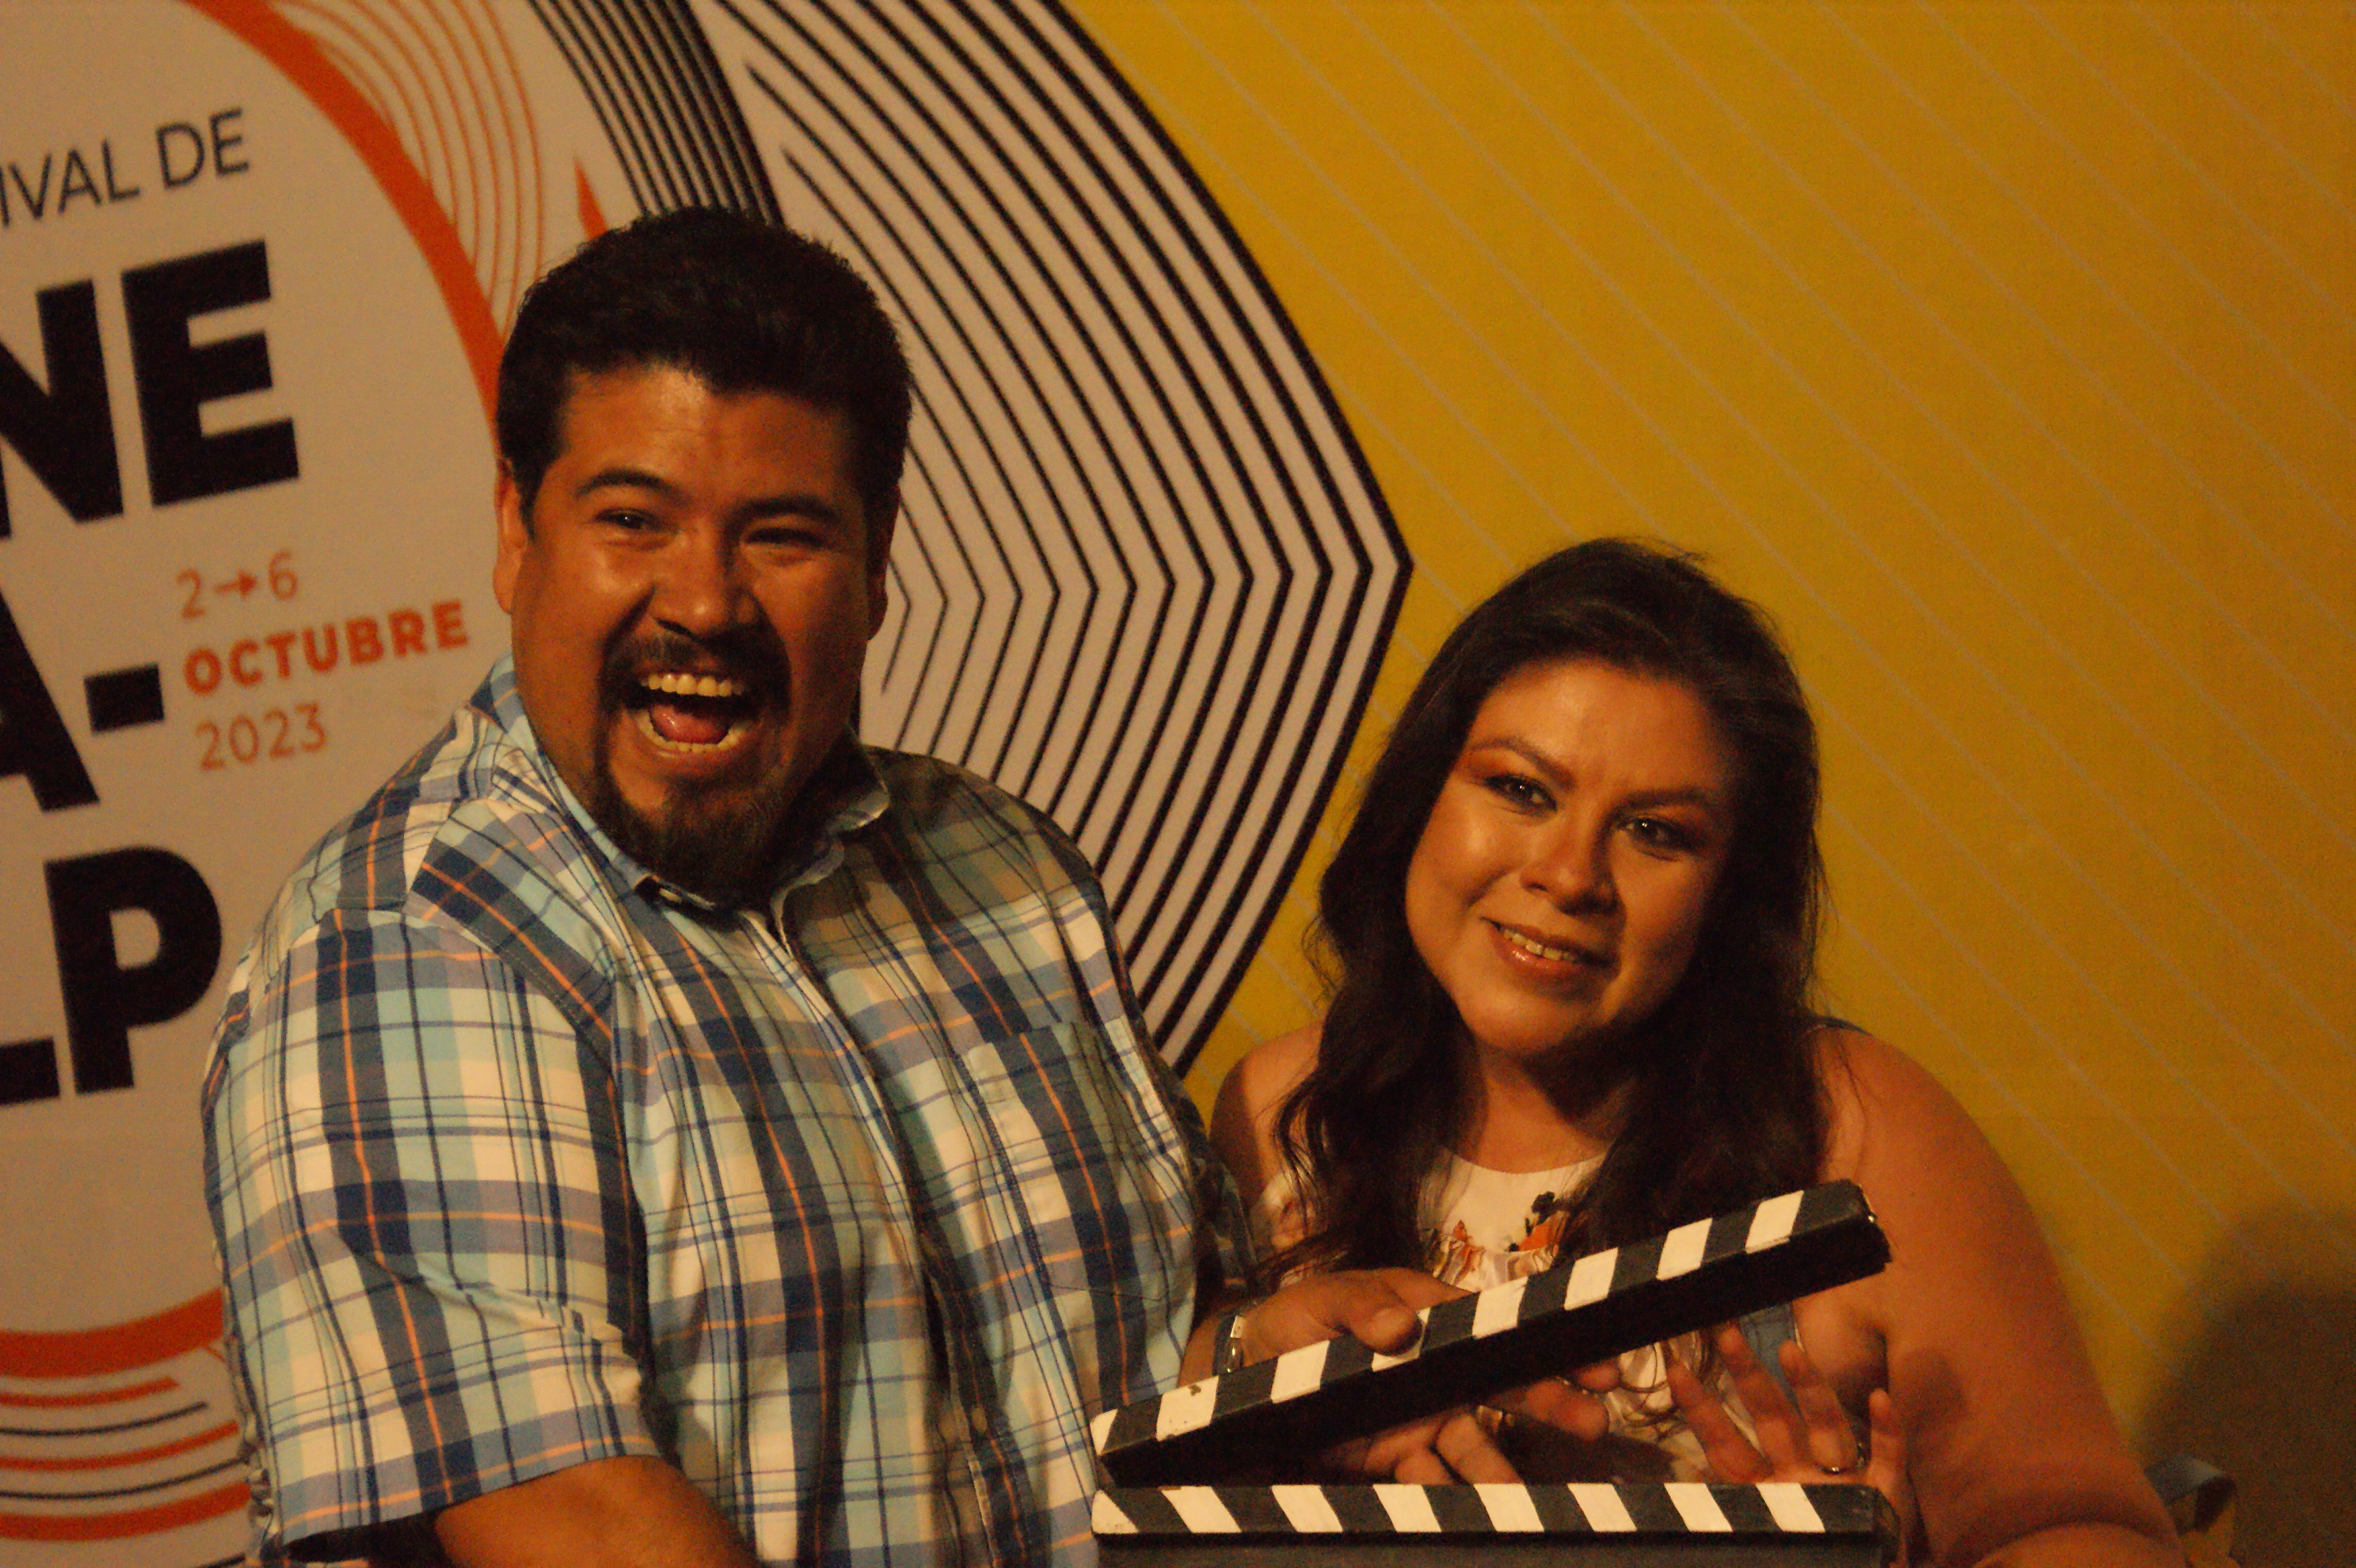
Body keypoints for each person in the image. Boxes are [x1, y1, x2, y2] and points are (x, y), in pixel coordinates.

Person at [202, 207, 1254, 1568]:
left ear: (878, 564)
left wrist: (1274, 1365)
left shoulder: (1003, 868)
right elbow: (568, 1517)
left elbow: (1120, 1365)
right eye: (633, 521)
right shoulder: (413, 943)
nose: (703, 602)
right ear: (518, 533)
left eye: (782, 536)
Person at [1211, 539, 2184, 1564]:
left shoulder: (1857, 1130)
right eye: (1522, 790)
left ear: (1730, 892)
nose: (1570, 874)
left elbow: (2097, 1537)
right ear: (1419, 796)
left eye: (1655, 833)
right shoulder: (1279, 1114)